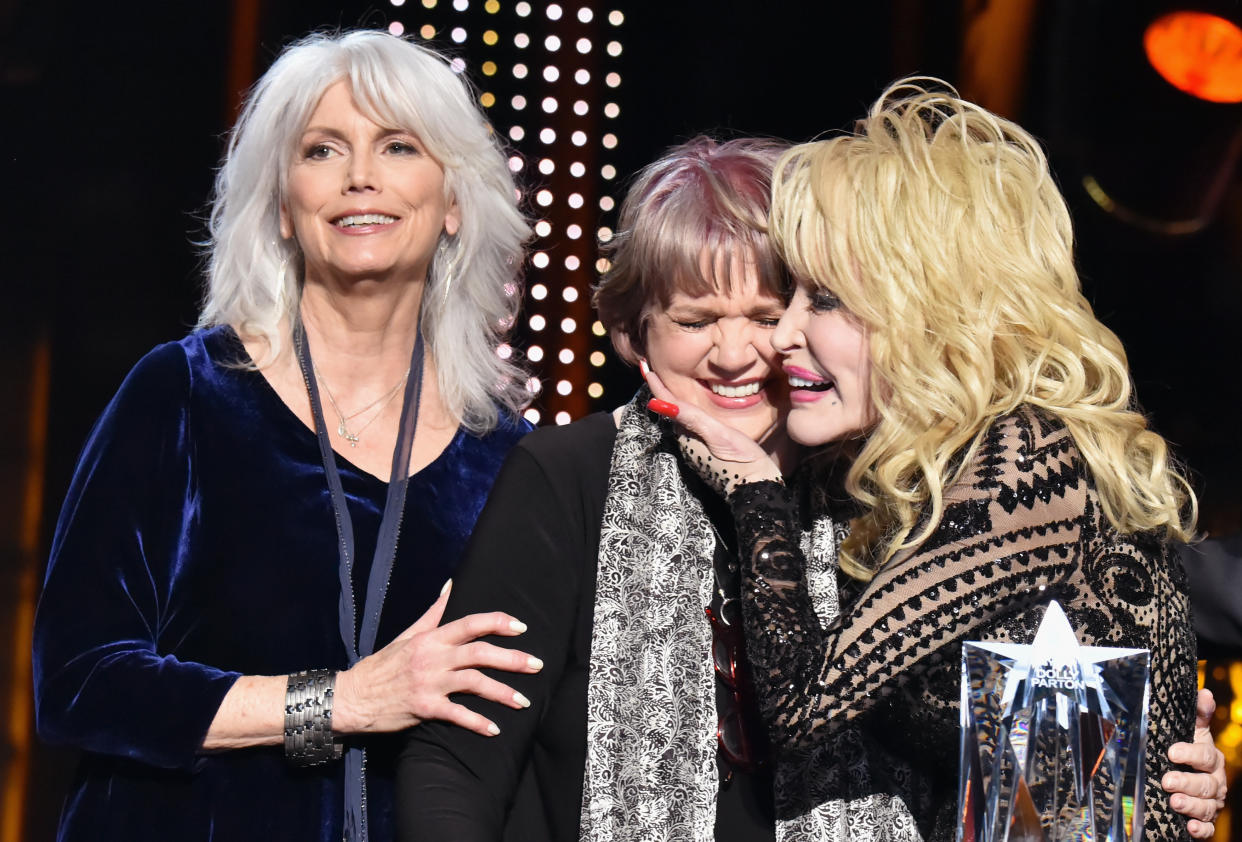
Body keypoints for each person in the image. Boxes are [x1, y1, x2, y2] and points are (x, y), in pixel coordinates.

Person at [396, 136, 1225, 841]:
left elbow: (1050, 775)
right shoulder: (570, 475)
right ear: (630, 331)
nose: (744, 351)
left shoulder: (911, 491)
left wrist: (1148, 758)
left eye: (778, 310)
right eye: (695, 320)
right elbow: (459, 759)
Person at [650, 80, 1221, 840]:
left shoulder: (1029, 462)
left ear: (924, 307)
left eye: (822, 299)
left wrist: (756, 494)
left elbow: (801, 703)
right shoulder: (936, 477)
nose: (783, 335)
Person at [33, 30, 540, 842]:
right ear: (280, 204)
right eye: (322, 149)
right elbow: (78, 682)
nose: (360, 176)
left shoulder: (507, 458)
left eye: (399, 145)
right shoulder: (187, 394)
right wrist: (343, 703)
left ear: (455, 203)